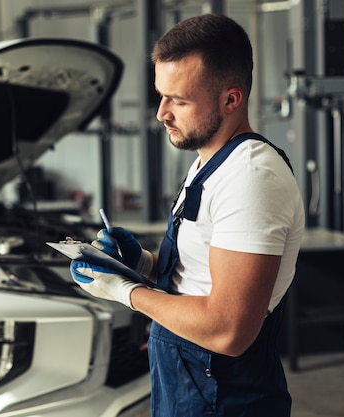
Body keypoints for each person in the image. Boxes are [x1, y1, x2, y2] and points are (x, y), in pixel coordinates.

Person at [70, 13, 305, 417]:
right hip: (188, 385)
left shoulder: (250, 177)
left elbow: (228, 329)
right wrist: (141, 264)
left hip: (226, 398)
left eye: (179, 100)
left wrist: (124, 291)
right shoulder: (209, 162)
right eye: (161, 95)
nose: (162, 113)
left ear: (231, 100)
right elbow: (203, 275)